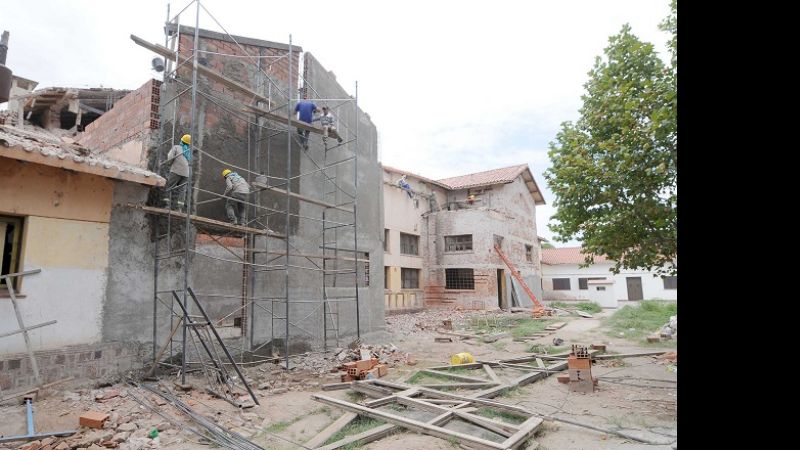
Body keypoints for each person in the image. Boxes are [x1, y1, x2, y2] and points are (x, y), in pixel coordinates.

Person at [163, 134, 191, 211]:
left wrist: (169, 163)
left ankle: (167, 205)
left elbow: (170, 157)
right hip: (186, 174)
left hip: (176, 170)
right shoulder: (188, 151)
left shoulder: (176, 147)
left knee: (170, 186)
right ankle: (180, 209)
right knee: (182, 190)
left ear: (181, 141)